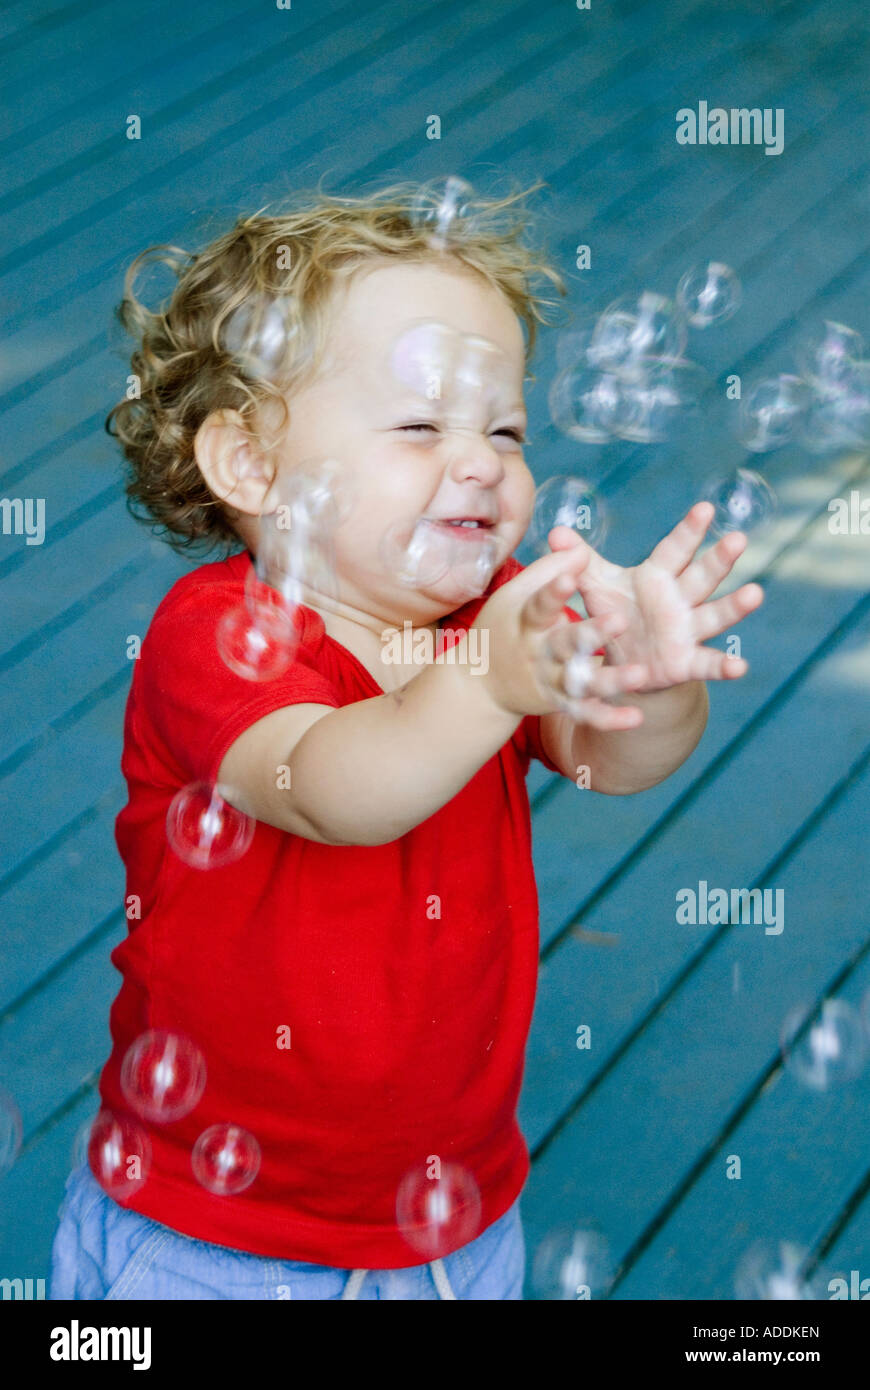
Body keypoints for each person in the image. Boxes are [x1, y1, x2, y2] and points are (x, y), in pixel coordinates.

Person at [49, 183, 762, 1300]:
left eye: (506, 429)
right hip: (213, 1238)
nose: (481, 460)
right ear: (251, 466)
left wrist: (650, 681)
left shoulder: (495, 619)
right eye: (423, 426)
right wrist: (491, 674)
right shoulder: (215, 638)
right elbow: (337, 785)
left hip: (453, 1225)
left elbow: (609, 760)